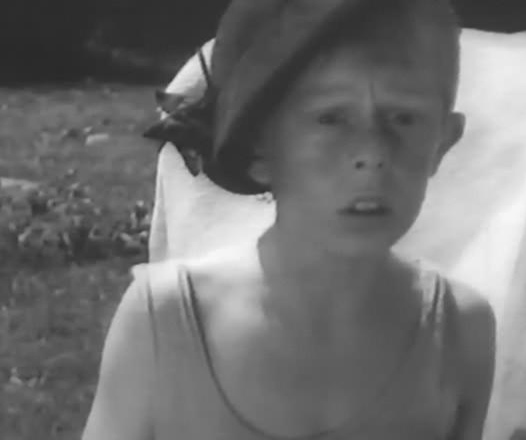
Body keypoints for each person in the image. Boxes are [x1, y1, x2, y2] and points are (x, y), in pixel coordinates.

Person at [82, 1, 496, 439]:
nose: (373, 153)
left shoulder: (460, 330)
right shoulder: (164, 319)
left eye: (404, 119)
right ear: (259, 147)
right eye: (330, 118)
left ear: (443, 143)